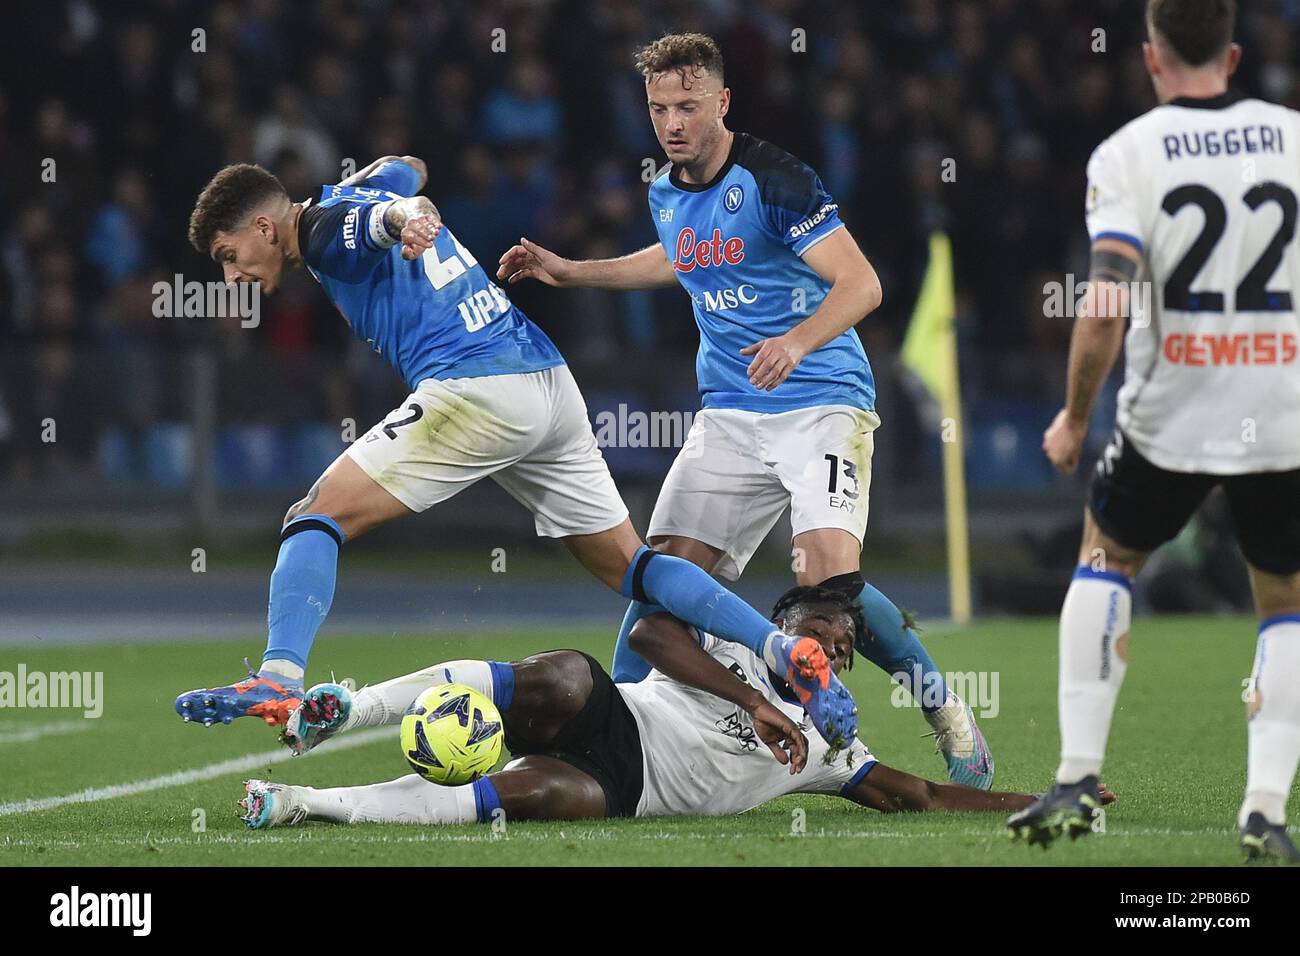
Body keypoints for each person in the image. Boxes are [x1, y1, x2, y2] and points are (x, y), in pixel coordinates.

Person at [174, 156, 856, 749]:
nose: (233, 275)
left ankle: (278, 674)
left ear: (265, 227)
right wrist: (397, 199)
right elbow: (407, 165)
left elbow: (375, 223)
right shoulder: (350, 194)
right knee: (636, 569)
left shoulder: (323, 233)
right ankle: (785, 649)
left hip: (476, 387)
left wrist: (401, 220)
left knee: (313, 517)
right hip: (548, 381)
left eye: (230, 256)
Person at [497, 33, 993, 788]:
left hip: (821, 400)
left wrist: (795, 343)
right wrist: (573, 271)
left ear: (722, 102)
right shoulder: (666, 187)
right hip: (729, 413)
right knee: (656, 584)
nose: (673, 123)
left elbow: (862, 285)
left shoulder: (777, 179)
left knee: (829, 591)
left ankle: (944, 710)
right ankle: (617, 742)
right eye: (661, 108)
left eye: (689, 107)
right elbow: (678, 255)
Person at [1009, 0, 1300, 861]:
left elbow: (1102, 306)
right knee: (1283, 603)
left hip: (1172, 409)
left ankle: (1074, 778)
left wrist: (1072, 418)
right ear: (1236, 53)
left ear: (1150, 55)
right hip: (1282, 411)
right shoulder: (1293, 136)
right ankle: (1264, 812)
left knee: (1106, 559)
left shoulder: (1128, 153)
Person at [242, 586, 1103, 827]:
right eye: (819, 629)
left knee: (537, 799)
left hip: (625, 790)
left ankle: (309, 803)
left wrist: (1039, 800)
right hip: (617, 718)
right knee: (562, 677)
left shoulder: (833, 752)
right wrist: (751, 700)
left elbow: (917, 796)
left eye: (846, 645)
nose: (834, 646)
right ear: (781, 626)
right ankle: (348, 712)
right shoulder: (733, 645)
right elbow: (652, 635)